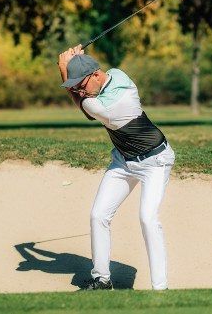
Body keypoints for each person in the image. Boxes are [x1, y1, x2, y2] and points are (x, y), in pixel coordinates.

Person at [58, 45, 175, 290]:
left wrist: (63, 67)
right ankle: (102, 279)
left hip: (156, 161)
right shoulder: (116, 74)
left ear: (97, 75)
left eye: (81, 85)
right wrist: (77, 61)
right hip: (123, 161)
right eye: (78, 86)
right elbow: (80, 88)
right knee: (98, 215)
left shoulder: (110, 103)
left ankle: (161, 289)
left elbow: (82, 104)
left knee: (147, 218)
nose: (80, 91)